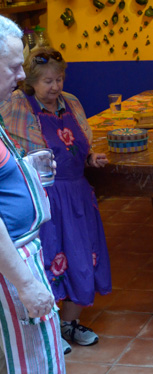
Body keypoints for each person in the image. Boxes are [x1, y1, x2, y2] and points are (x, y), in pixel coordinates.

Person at [0, 46, 111, 354]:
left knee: (83, 259)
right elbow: (14, 153)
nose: (55, 87)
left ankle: (70, 324)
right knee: (50, 261)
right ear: (31, 82)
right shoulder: (17, 106)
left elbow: (78, 144)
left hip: (77, 195)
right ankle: (51, 327)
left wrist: (89, 157)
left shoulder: (71, 103)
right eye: (47, 81)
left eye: (59, 79)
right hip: (46, 199)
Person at [0, 15, 66, 374]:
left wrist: (23, 166)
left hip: (13, 262)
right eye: (11, 66)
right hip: (12, 268)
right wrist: (26, 283)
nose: (21, 74)